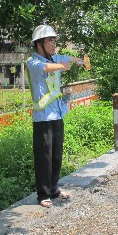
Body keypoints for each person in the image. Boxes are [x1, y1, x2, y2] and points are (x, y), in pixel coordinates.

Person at [26, 25, 84, 208]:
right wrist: (62, 66)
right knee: (44, 157)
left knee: (56, 155)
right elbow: (47, 68)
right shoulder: (32, 63)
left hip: (57, 114)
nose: (53, 44)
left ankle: (54, 189)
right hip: (43, 117)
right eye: (50, 41)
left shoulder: (55, 58)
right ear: (39, 44)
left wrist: (79, 60)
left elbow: (68, 58)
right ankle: (43, 194)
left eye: (54, 41)